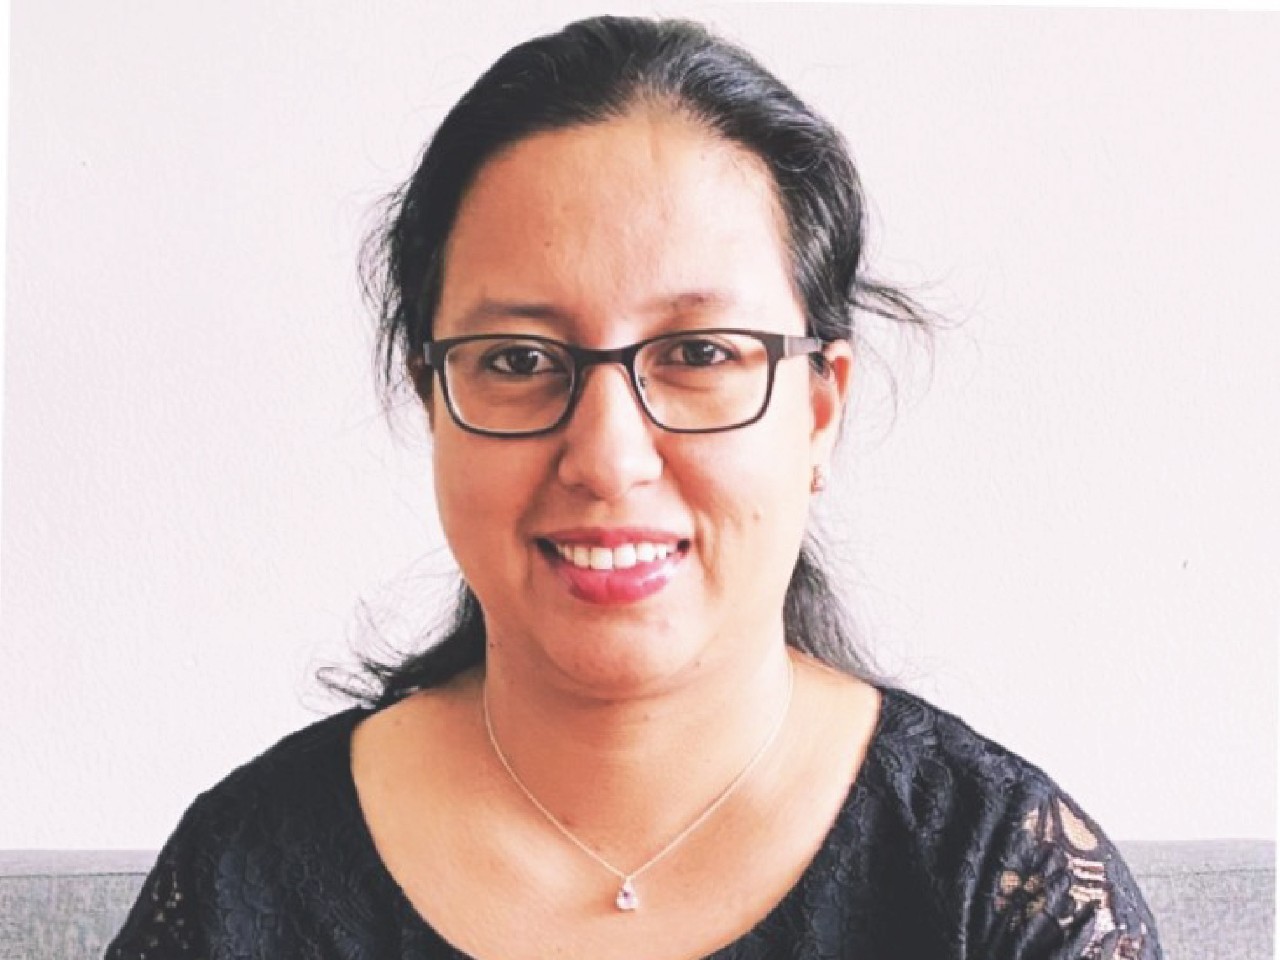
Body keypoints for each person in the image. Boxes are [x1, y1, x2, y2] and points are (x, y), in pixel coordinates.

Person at [106, 15, 1161, 960]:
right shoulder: (241, 881)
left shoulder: (998, 884)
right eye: (518, 359)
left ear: (818, 410)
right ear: (433, 402)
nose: (608, 458)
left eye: (699, 353)